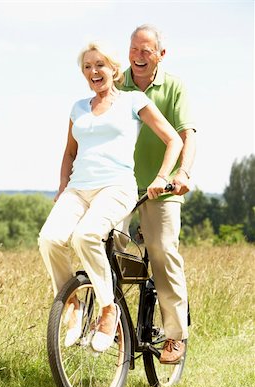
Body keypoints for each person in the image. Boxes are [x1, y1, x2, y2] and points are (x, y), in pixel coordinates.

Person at [38, 41, 183, 353]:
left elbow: (173, 139)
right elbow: (70, 151)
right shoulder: (78, 108)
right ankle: (73, 304)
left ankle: (107, 309)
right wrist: (63, 187)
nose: (93, 72)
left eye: (99, 65)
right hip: (79, 189)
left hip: (116, 187)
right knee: (49, 238)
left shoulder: (133, 101)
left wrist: (162, 177)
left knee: (86, 236)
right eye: (87, 67)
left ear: (115, 70)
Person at [120, 24, 196, 364]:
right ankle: (111, 321)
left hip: (162, 188)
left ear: (160, 55)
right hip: (119, 184)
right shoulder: (115, 83)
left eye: (146, 51)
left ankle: (175, 335)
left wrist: (181, 173)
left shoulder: (174, 86)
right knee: (106, 247)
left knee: (163, 251)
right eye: (134, 49)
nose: (138, 56)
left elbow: (186, 135)